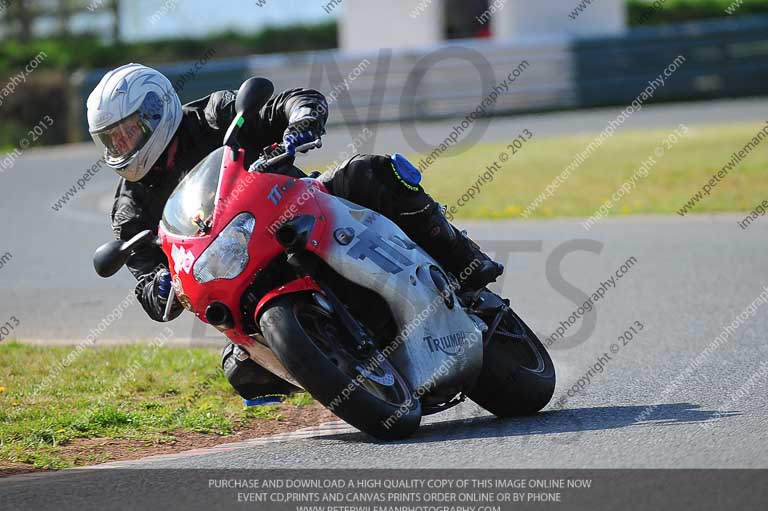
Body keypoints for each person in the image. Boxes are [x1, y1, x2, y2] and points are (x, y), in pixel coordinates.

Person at [88, 63, 503, 400]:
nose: (122, 145)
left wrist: (300, 121)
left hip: (297, 207)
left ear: (157, 111)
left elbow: (285, 103)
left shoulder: (212, 116)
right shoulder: (130, 209)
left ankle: (463, 260)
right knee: (241, 371)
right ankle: (337, 370)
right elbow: (144, 277)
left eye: (129, 131)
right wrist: (159, 286)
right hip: (238, 276)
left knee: (371, 172)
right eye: (112, 139)